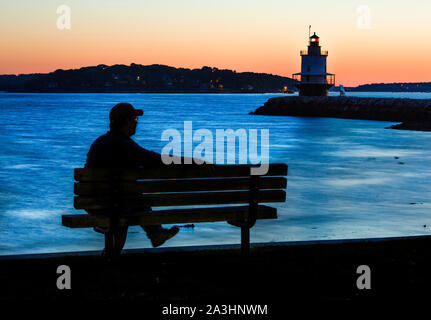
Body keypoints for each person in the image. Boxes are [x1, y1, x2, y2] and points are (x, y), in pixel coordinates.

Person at [85, 102, 211, 255]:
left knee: (129, 194)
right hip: (111, 203)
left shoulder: (101, 142)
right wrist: (195, 162)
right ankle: (155, 233)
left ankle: (123, 250)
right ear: (126, 122)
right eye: (135, 120)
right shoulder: (124, 144)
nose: (136, 123)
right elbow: (156, 160)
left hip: (92, 201)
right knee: (131, 197)